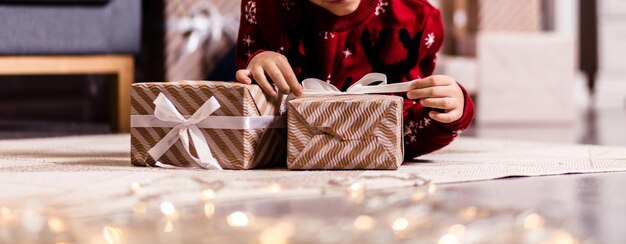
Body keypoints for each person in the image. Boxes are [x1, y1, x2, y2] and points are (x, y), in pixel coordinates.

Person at [234, 0, 474, 159]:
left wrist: (454, 107)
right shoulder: (265, 8)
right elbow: (247, 120)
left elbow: (407, 130)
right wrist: (257, 61)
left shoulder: (416, 19)